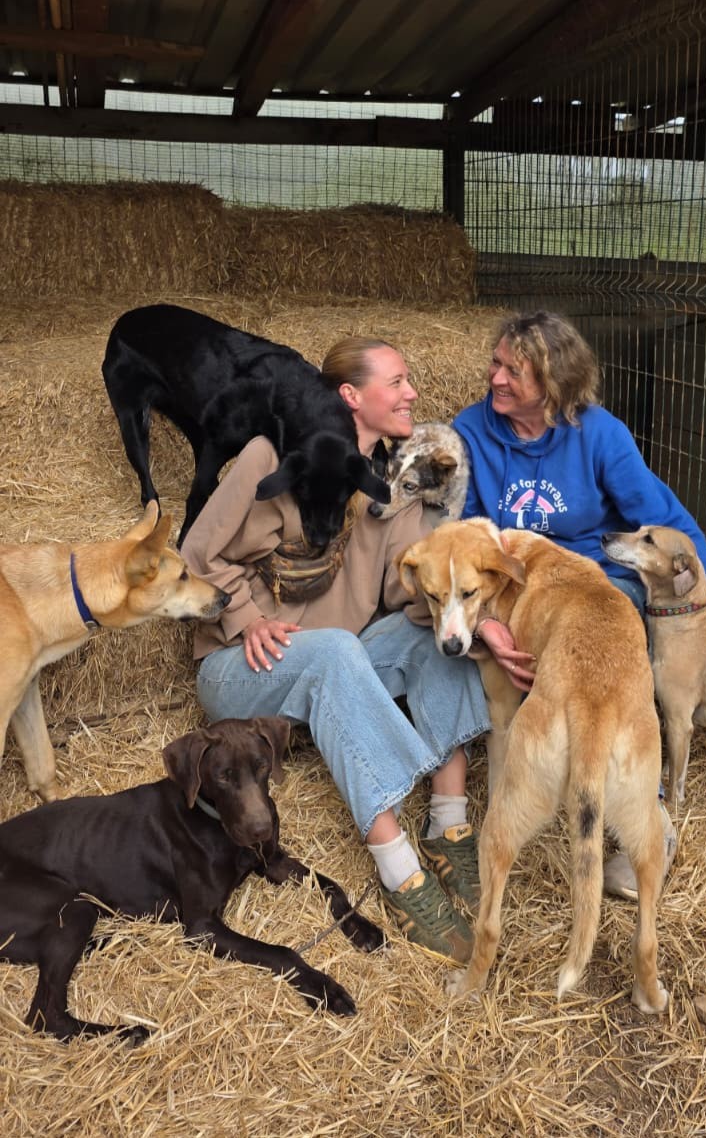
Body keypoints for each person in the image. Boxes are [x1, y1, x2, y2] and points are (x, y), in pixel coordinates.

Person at [453, 311, 706, 899]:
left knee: (612, 645)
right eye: (496, 363)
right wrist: (483, 624)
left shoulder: (600, 434)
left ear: (555, 384)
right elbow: (463, 538)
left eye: (515, 371)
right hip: (513, 585)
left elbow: (665, 518)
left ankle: (646, 820)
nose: (496, 378)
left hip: (597, 578)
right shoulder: (471, 430)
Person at [180, 337, 491, 964]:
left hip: (337, 659)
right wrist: (245, 617)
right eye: (396, 382)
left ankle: (448, 823)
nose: (412, 395)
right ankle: (400, 871)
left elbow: (403, 591)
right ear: (350, 395)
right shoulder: (269, 456)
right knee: (334, 653)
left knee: (428, 633)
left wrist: (470, 615)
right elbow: (194, 555)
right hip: (244, 667)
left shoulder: (392, 484)